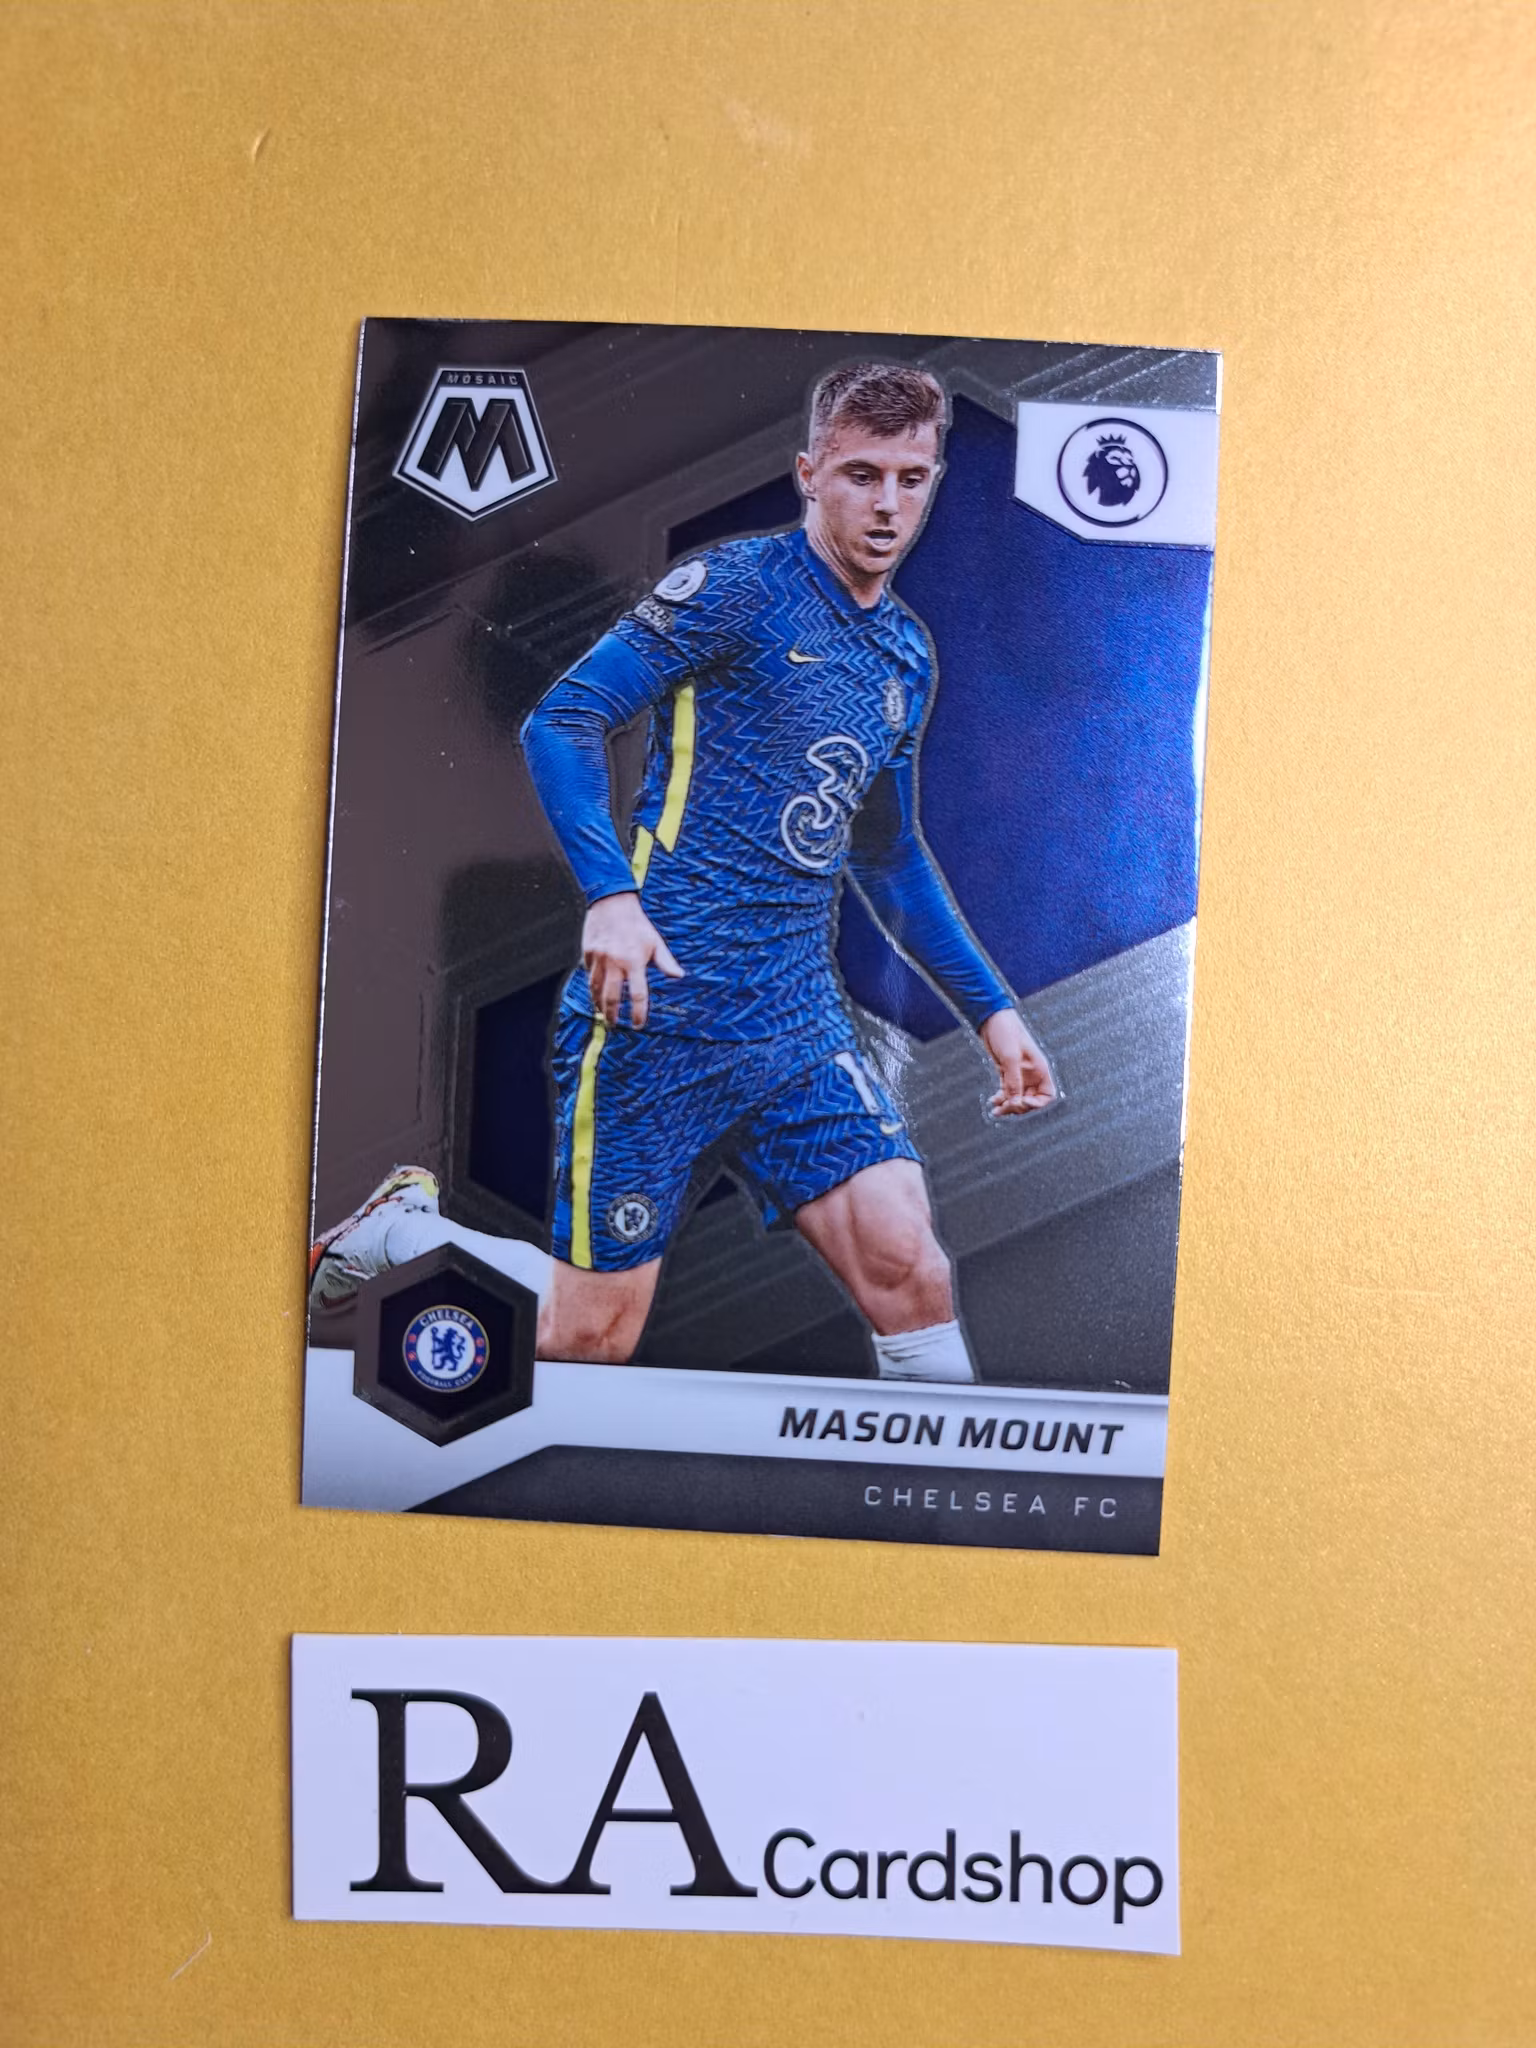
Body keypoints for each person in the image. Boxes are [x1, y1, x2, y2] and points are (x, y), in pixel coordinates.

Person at [311, 364, 1054, 1383]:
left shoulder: (904, 658)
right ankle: (401, 1235)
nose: (888, 504)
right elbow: (564, 719)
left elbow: (888, 854)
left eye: (911, 478)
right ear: (810, 473)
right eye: (862, 474)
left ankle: (943, 1480)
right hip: (654, 1016)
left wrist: (994, 1015)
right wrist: (611, 898)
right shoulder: (736, 590)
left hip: (794, 1026)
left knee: (911, 1272)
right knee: (591, 1336)